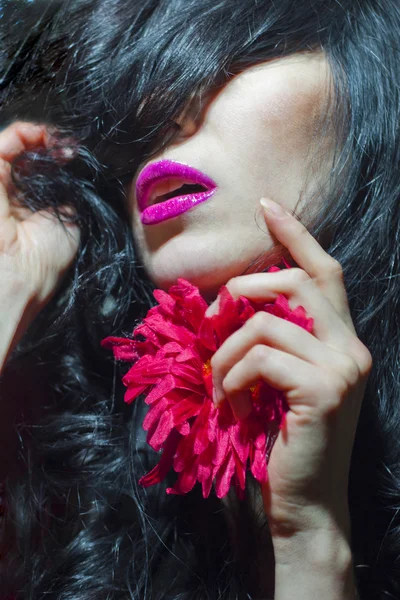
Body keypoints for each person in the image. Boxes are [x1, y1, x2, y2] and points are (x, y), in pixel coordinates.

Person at [0, 0, 399, 598]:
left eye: (229, 60)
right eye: (136, 101)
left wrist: (311, 544)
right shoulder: (91, 494)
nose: (156, 111)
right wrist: (10, 287)